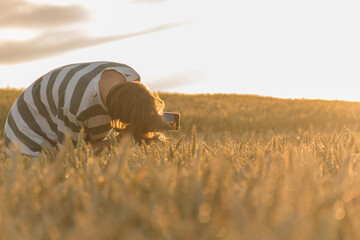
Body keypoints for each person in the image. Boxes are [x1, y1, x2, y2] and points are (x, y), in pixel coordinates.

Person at [4, 61, 171, 158]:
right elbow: (71, 157)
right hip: (27, 133)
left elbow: (135, 103)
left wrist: (148, 119)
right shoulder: (79, 106)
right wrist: (120, 142)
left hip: (58, 109)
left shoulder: (129, 76)